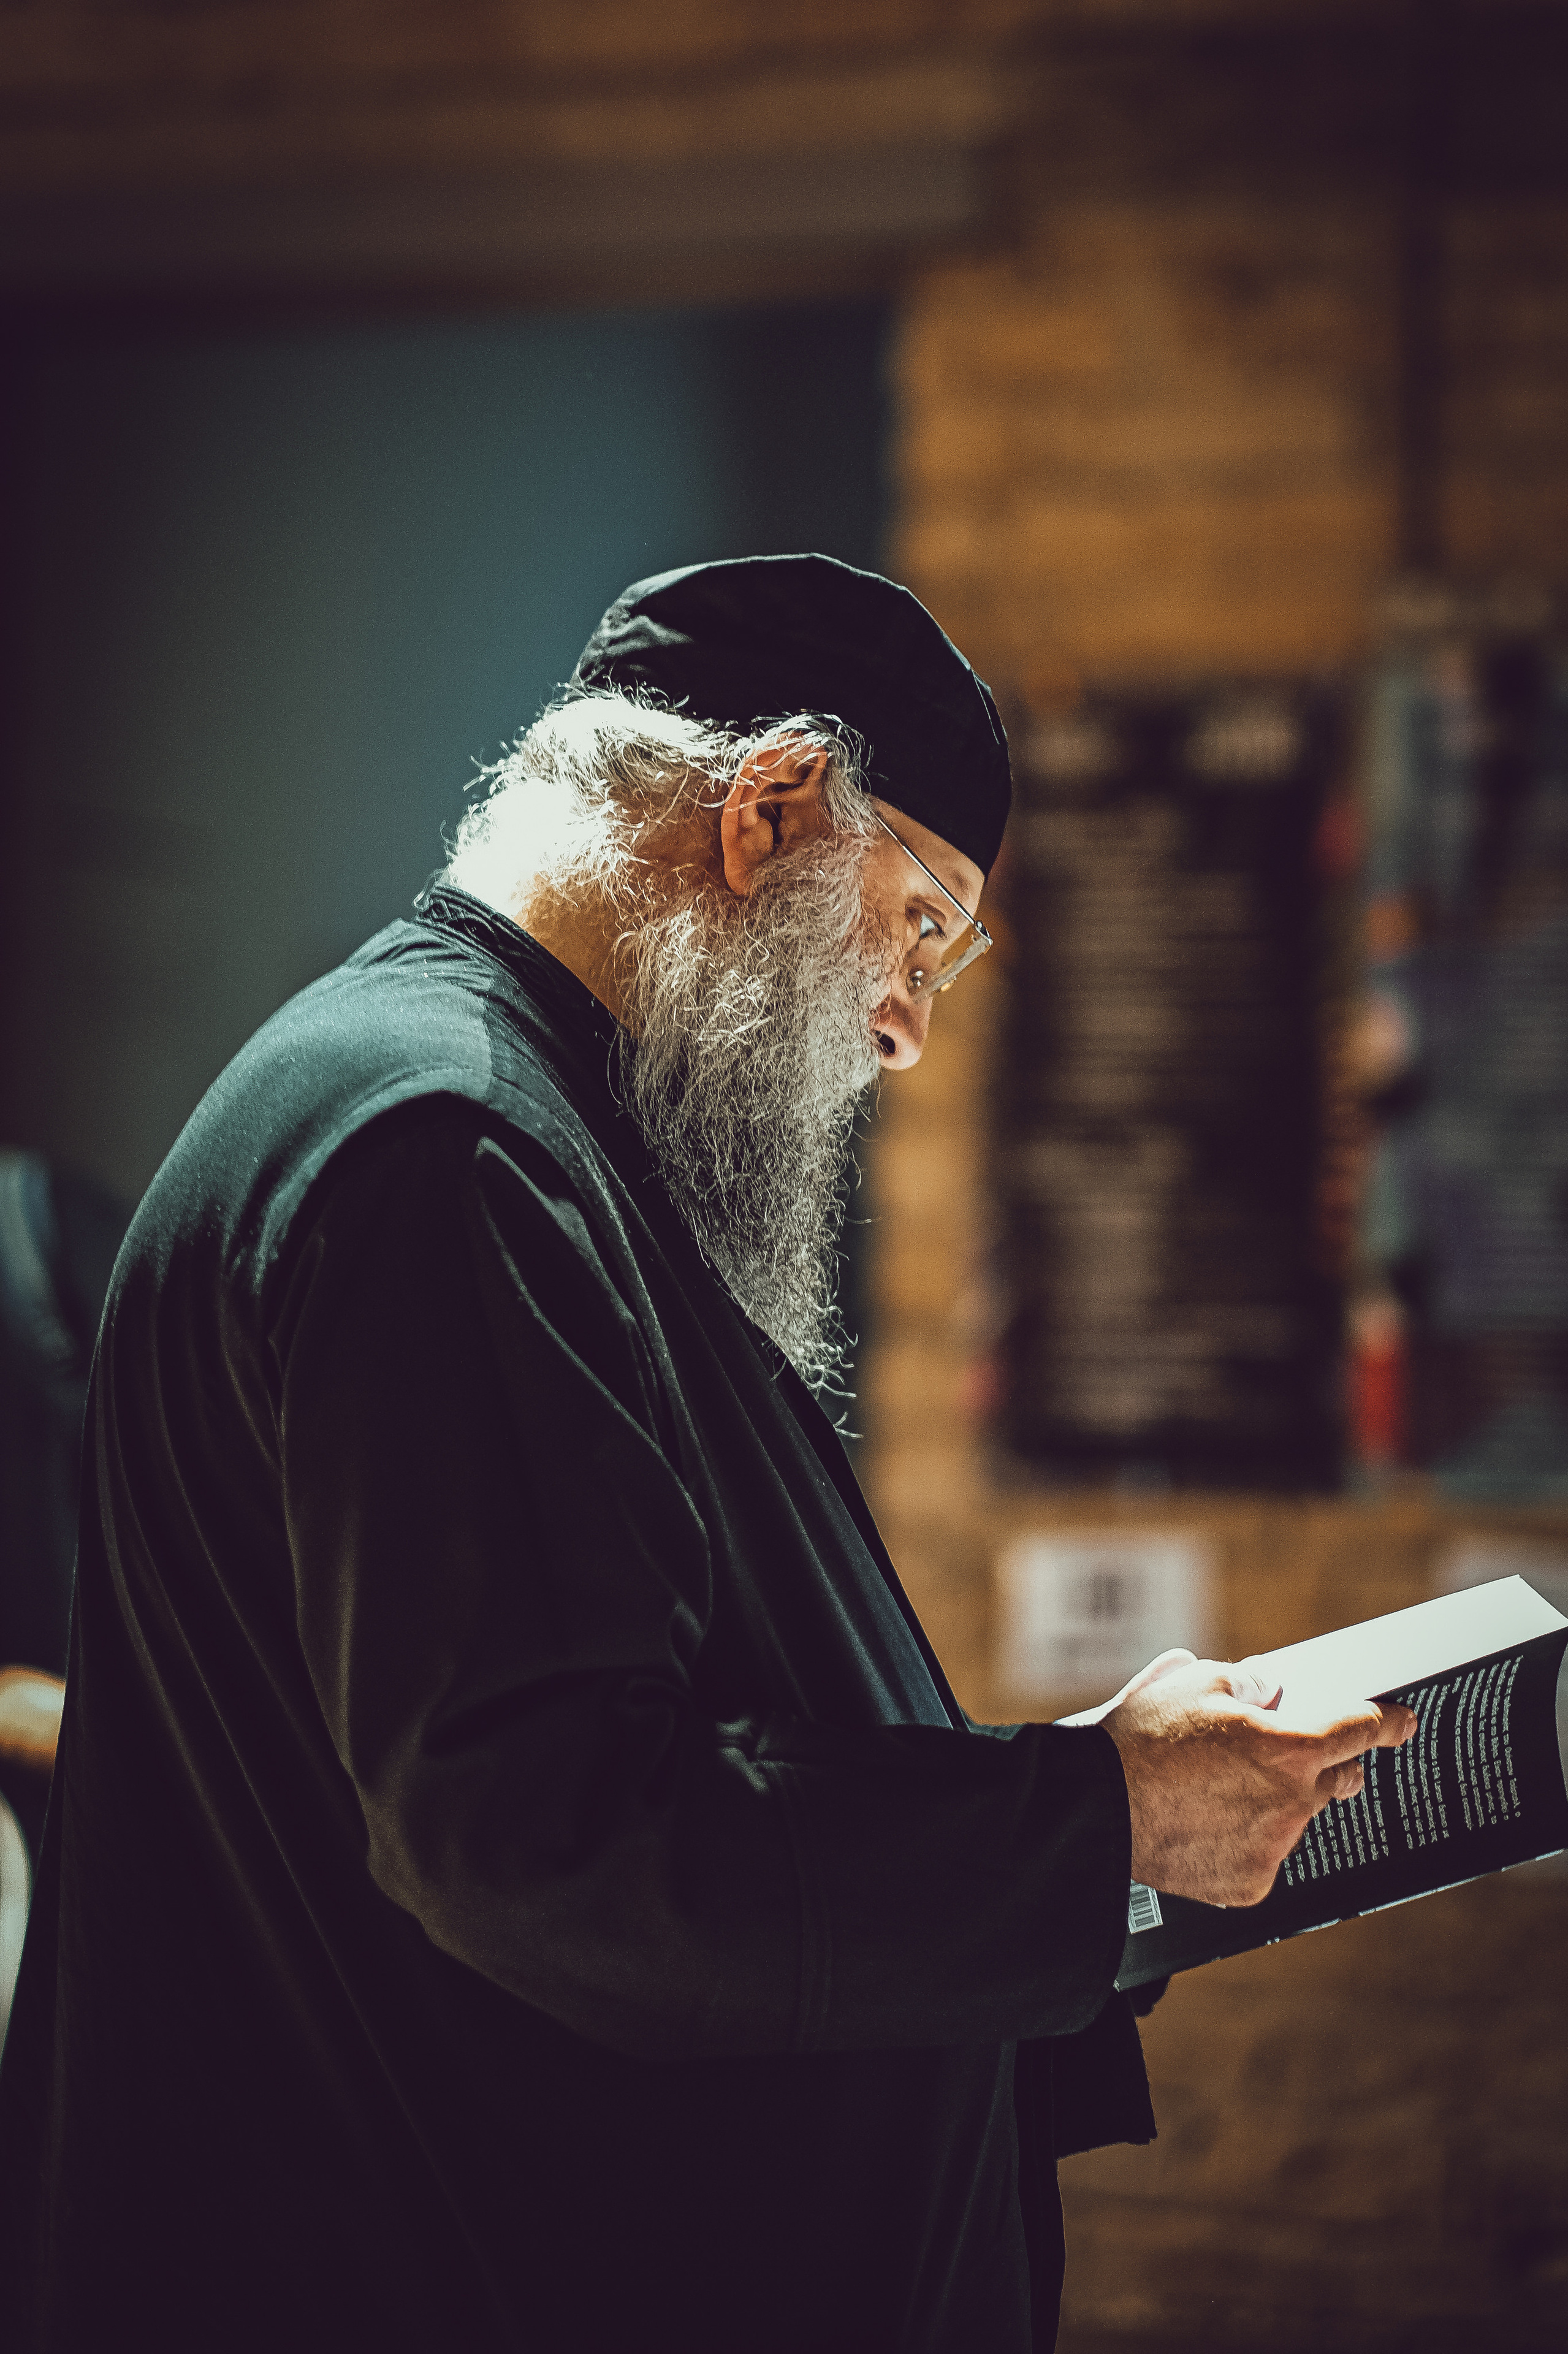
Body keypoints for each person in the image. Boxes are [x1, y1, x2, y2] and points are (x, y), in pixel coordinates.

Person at [0, 556, 1414, 2352]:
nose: (907, 1028)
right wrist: (1098, 1814)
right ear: (772, 811)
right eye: (920, 929)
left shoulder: (516, 1131)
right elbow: (559, 1844)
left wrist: (1087, 1814)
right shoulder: (444, 1150)